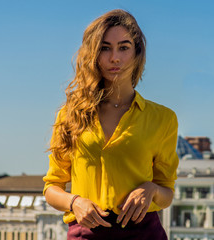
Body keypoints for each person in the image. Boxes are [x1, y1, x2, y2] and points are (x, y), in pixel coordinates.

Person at [43, 9, 179, 240]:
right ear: (93, 54)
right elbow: (52, 188)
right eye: (105, 48)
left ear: (137, 53)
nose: (114, 58)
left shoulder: (163, 118)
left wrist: (152, 189)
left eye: (123, 48)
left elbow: (167, 193)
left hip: (144, 234)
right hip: (85, 234)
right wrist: (74, 202)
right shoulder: (70, 115)